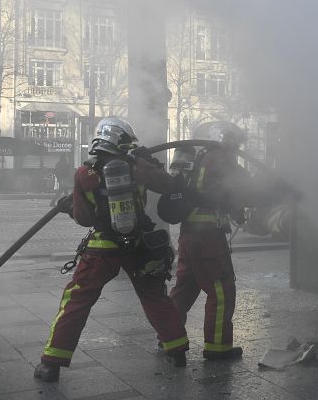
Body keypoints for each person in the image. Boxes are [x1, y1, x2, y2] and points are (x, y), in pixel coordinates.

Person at [34, 117, 189, 382]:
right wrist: (150, 164)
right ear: (121, 141)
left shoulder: (85, 172)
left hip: (102, 248)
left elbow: (84, 218)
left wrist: (71, 206)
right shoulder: (137, 166)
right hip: (139, 246)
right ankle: (177, 351)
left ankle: (51, 363)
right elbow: (169, 185)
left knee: (77, 300)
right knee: (154, 296)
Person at [163, 123, 252, 361]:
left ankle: (167, 336)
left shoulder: (197, 156)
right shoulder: (222, 159)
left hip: (189, 234)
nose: (237, 148)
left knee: (184, 288)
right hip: (208, 236)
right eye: (236, 143)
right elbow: (239, 189)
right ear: (229, 140)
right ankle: (218, 347)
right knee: (222, 291)